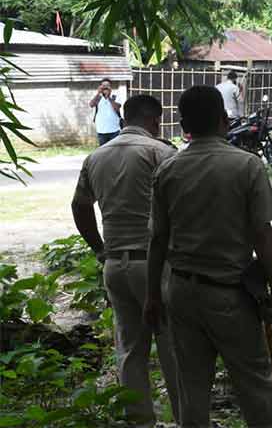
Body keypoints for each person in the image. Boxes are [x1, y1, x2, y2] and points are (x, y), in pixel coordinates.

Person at [143, 85, 272, 427]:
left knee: (192, 386)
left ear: (181, 123)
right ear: (224, 120)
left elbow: (158, 240)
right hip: (230, 294)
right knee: (254, 383)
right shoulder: (246, 166)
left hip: (181, 292)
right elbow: (262, 235)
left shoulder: (168, 170)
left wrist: (152, 295)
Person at [71, 94, 180, 427]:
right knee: (172, 348)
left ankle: (140, 421)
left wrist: (100, 249)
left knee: (130, 349)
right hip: (155, 265)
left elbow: (79, 206)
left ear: (123, 120)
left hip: (115, 264)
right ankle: (186, 419)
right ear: (154, 122)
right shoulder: (161, 153)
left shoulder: (96, 157)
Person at [90, 78, 122, 145]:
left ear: (111, 87)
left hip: (114, 129)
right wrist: (98, 93)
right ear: (100, 87)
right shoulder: (98, 97)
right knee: (103, 150)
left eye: (107, 85)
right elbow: (91, 105)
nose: (105, 87)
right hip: (101, 129)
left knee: (114, 150)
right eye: (103, 85)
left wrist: (109, 97)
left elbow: (117, 108)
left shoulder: (115, 96)